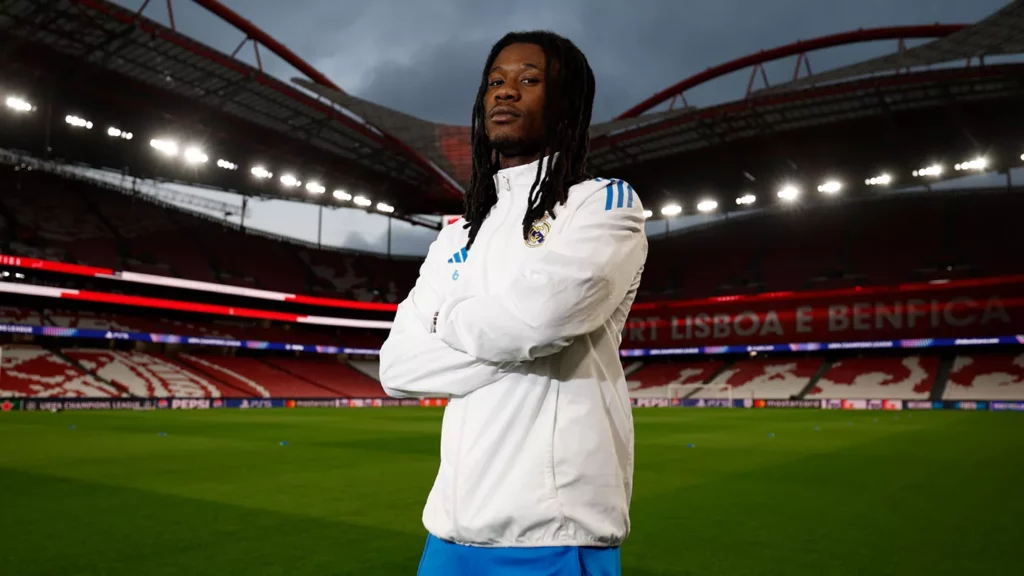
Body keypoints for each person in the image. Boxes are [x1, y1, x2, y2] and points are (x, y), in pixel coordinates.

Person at [379, 30, 648, 576]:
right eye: (495, 82)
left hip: (551, 531)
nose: (505, 93)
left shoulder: (602, 204)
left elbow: (538, 320)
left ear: (566, 102)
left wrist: (440, 320)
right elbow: (397, 365)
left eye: (529, 80)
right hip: (449, 533)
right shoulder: (457, 233)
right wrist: (503, 332)